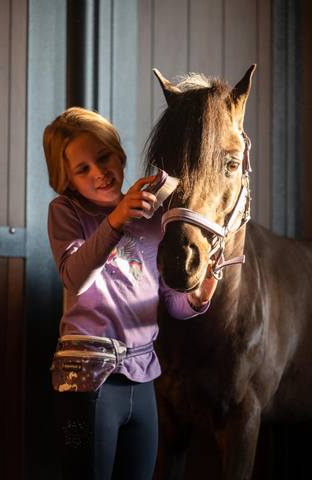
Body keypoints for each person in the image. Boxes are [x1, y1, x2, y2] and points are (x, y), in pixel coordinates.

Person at [43, 107, 217, 480]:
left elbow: (169, 302)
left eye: (103, 157)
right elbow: (75, 278)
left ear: (119, 155)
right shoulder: (65, 211)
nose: (98, 172)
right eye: (82, 169)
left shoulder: (155, 218)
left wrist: (195, 300)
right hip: (85, 378)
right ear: (68, 180)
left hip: (142, 377)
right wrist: (117, 219)